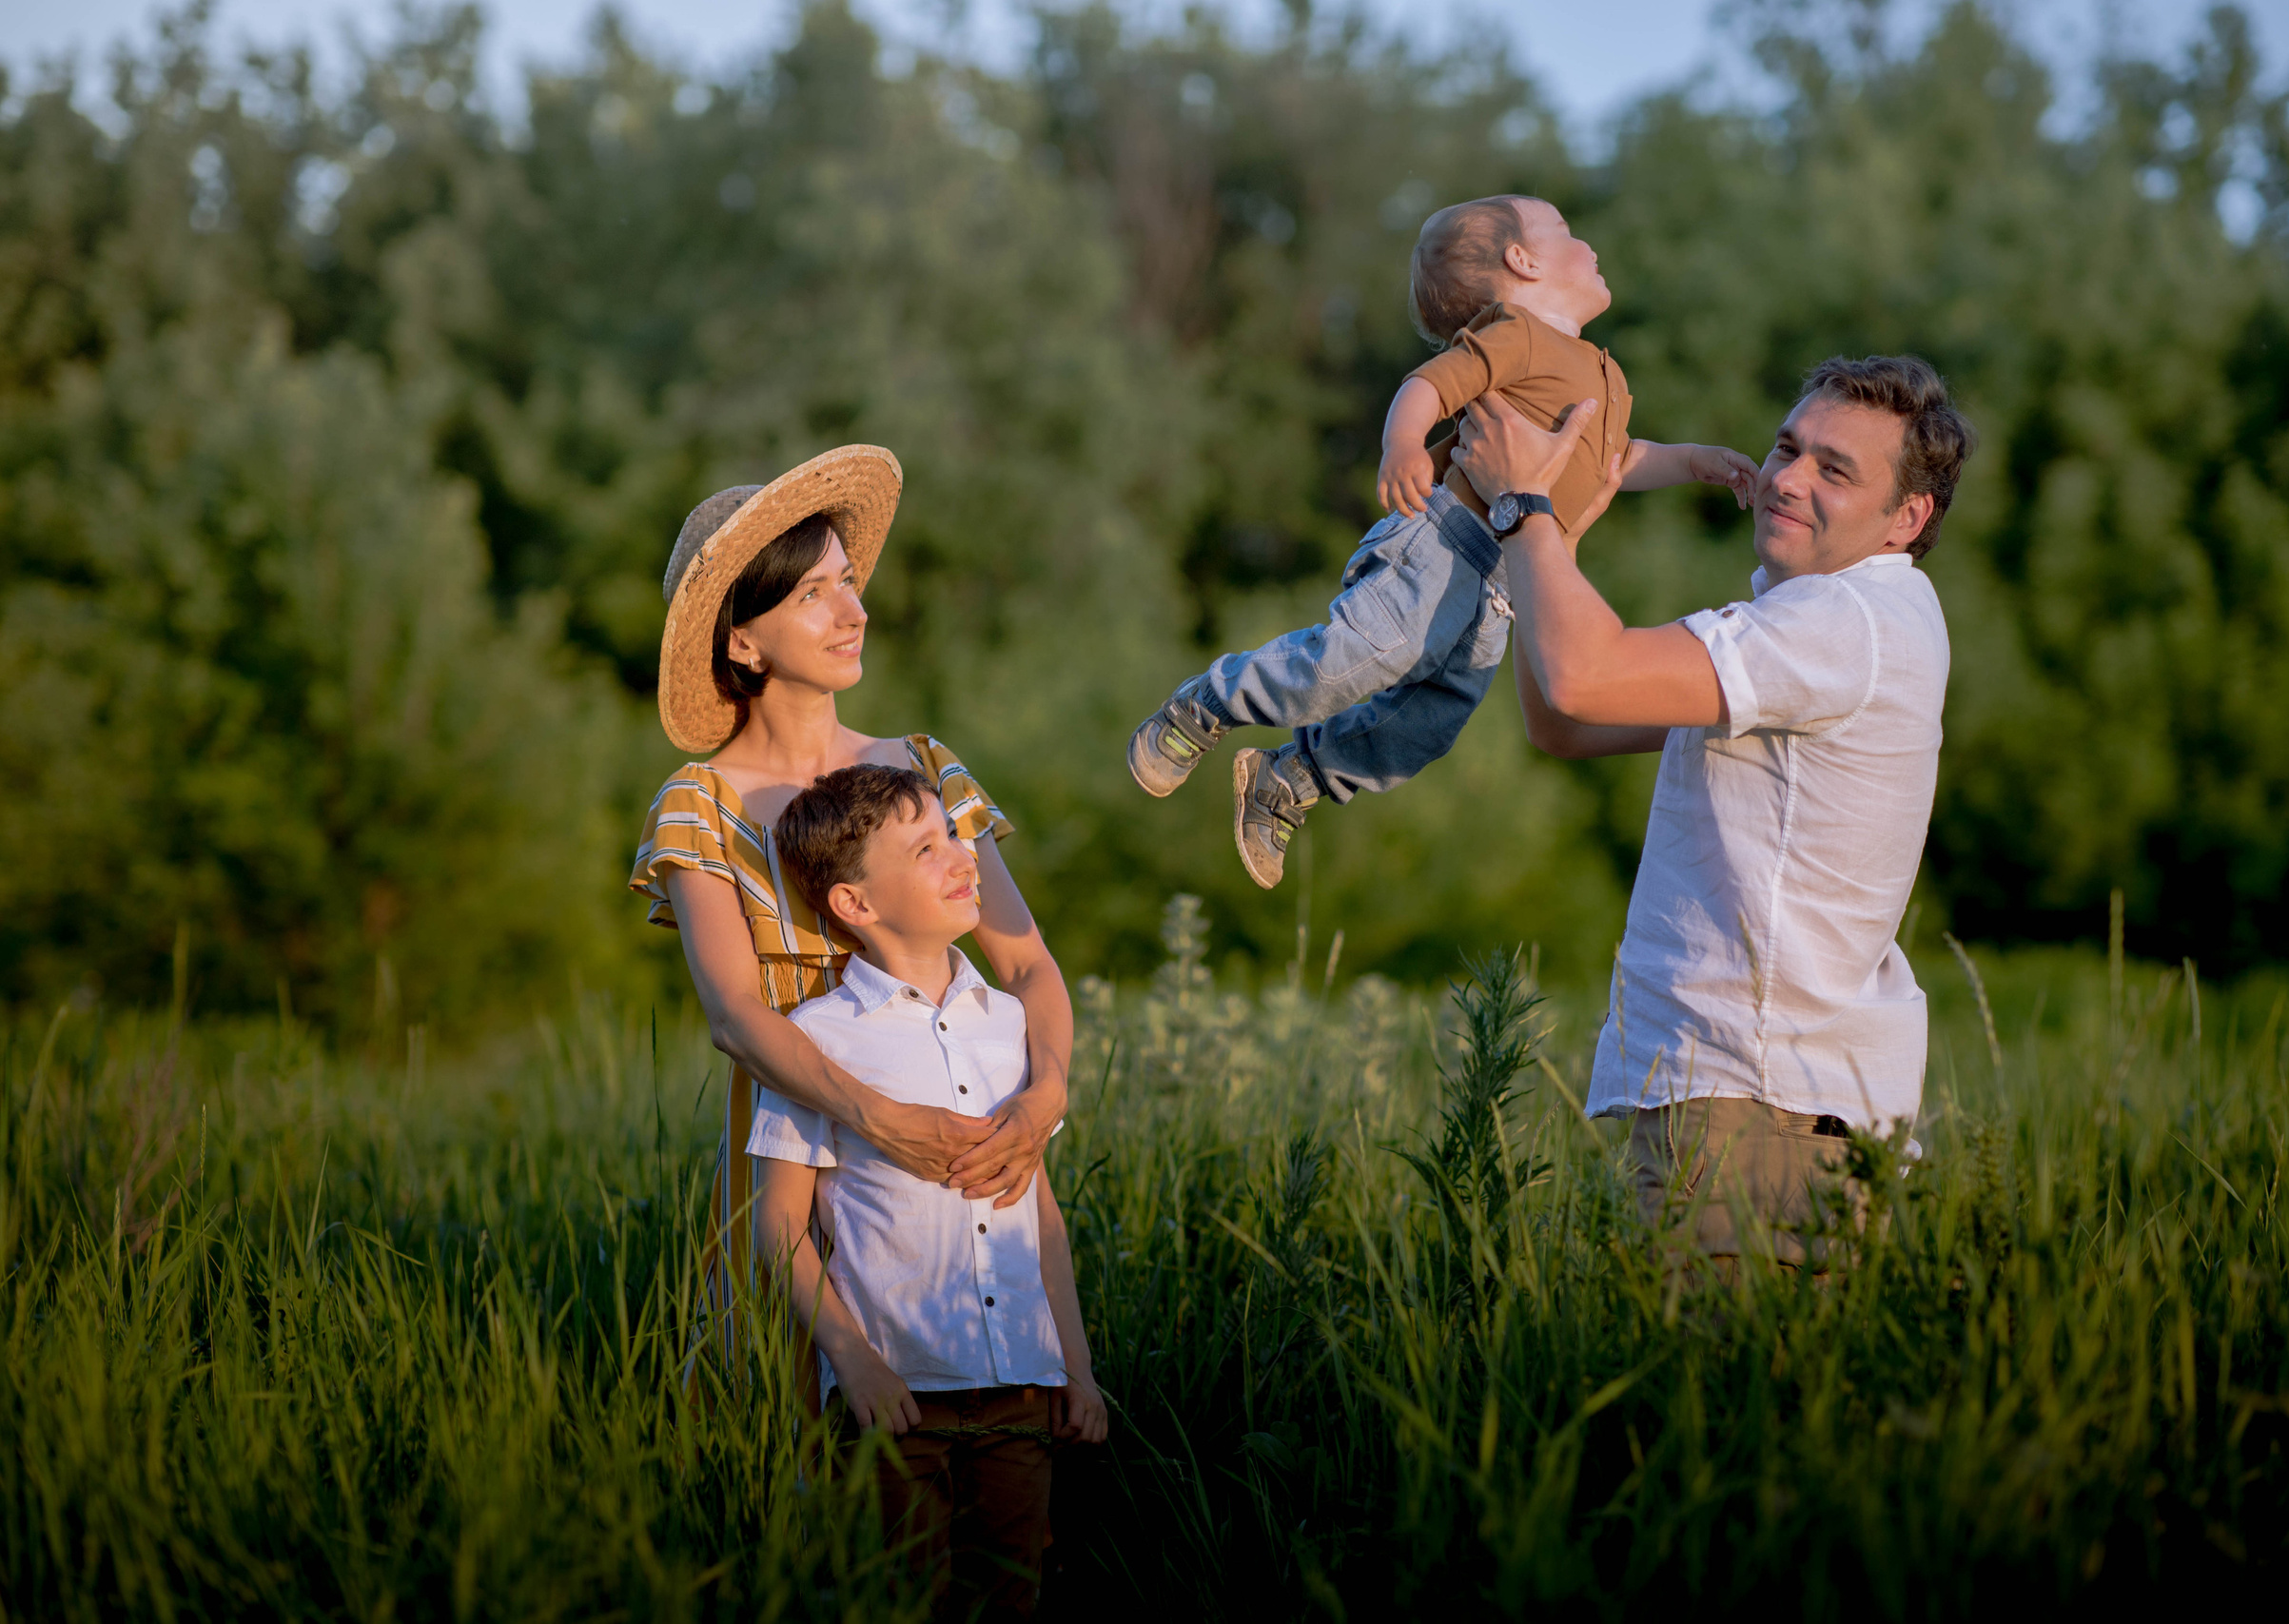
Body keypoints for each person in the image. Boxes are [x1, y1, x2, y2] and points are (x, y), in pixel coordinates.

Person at [1447, 356, 1976, 1276]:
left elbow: (1582, 672)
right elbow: (1565, 720)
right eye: (1787, 446)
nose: (1789, 478)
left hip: (1752, 1121)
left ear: (1907, 518)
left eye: (1834, 469)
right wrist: (1547, 537)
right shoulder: (1836, 618)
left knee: (1696, 1406)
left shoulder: (1841, 620)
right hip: (1772, 1110)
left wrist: (1522, 504)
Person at [1126, 194, 1757, 888]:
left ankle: (1292, 776)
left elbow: (1617, 460)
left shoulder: (1600, 373)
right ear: (1523, 259)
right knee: (1354, 660)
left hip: (1502, 586)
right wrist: (1402, 444)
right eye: (1568, 232)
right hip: (1444, 545)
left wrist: (1693, 459)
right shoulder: (1516, 334)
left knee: (1427, 726)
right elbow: (1428, 383)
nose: (1589, 246)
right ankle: (1203, 705)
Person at [629, 445, 1072, 1360]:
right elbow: (736, 1015)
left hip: (946, 1165)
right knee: (805, 1455)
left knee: (987, 1409)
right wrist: (881, 1120)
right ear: (743, 641)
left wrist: (1044, 1098)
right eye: (815, 595)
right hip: (796, 1163)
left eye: (848, 581)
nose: (854, 611)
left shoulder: (925, 769)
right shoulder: (699, 804)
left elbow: (1025, 962)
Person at [754, 763, 1105, 1618]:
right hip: (898, 1396)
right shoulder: (820, 1039)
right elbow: (778, 1227)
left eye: (952, 834)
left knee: (1012, 1594)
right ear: (856, 905)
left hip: (1024, 1382)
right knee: (904, 1599)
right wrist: (853, 1359)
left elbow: (1040, 1212)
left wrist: (1077, 1365)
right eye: (925, 846)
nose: (961, 856)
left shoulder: (1008, 1022)